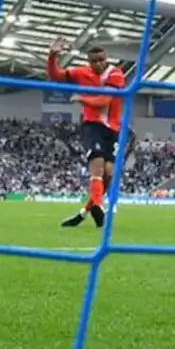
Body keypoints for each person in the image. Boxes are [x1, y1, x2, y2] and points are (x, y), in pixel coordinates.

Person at [47, 39, 127, 229]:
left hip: (113, 129)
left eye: (101, 60)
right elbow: (56, 75)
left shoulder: (115, 73)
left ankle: (84, 212)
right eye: (94, 61)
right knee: (97, 167)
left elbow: (104, 100)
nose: (98, 64)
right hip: (93, 126)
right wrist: (52, 56)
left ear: (106, 58)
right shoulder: (82, 72)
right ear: (89, 62)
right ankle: (98, 206)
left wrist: (82, 99)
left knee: (109, 174)